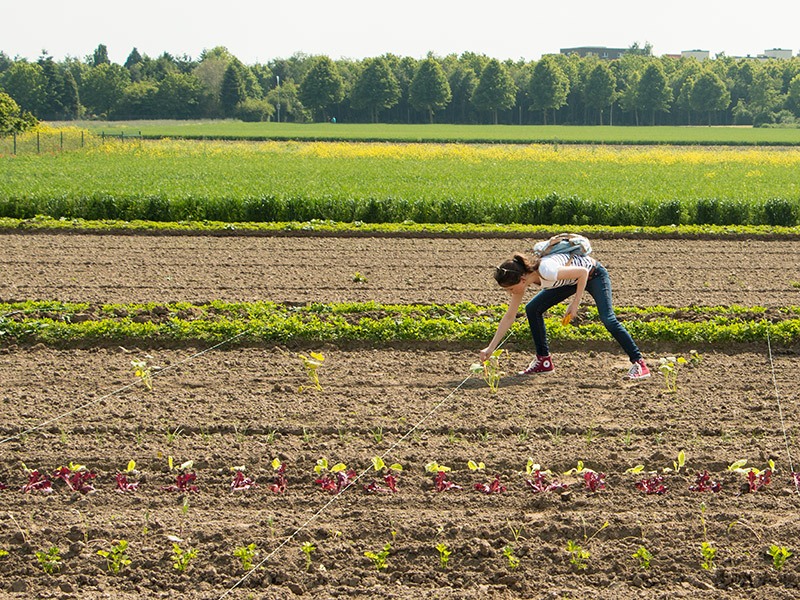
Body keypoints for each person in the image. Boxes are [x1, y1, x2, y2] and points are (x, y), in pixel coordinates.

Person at [479, 239, 650, 380]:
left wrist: (575, 303)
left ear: (522, 278)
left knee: (608, 319)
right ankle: (544, 361)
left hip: (593, 274)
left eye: (510, 288)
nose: (510, 293)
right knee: (532, 309)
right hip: (570, 280)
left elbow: (583, 272)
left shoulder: (547, 270)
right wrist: (490, 348)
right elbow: (509, 316)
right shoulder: (522, 284)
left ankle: (640, 364)